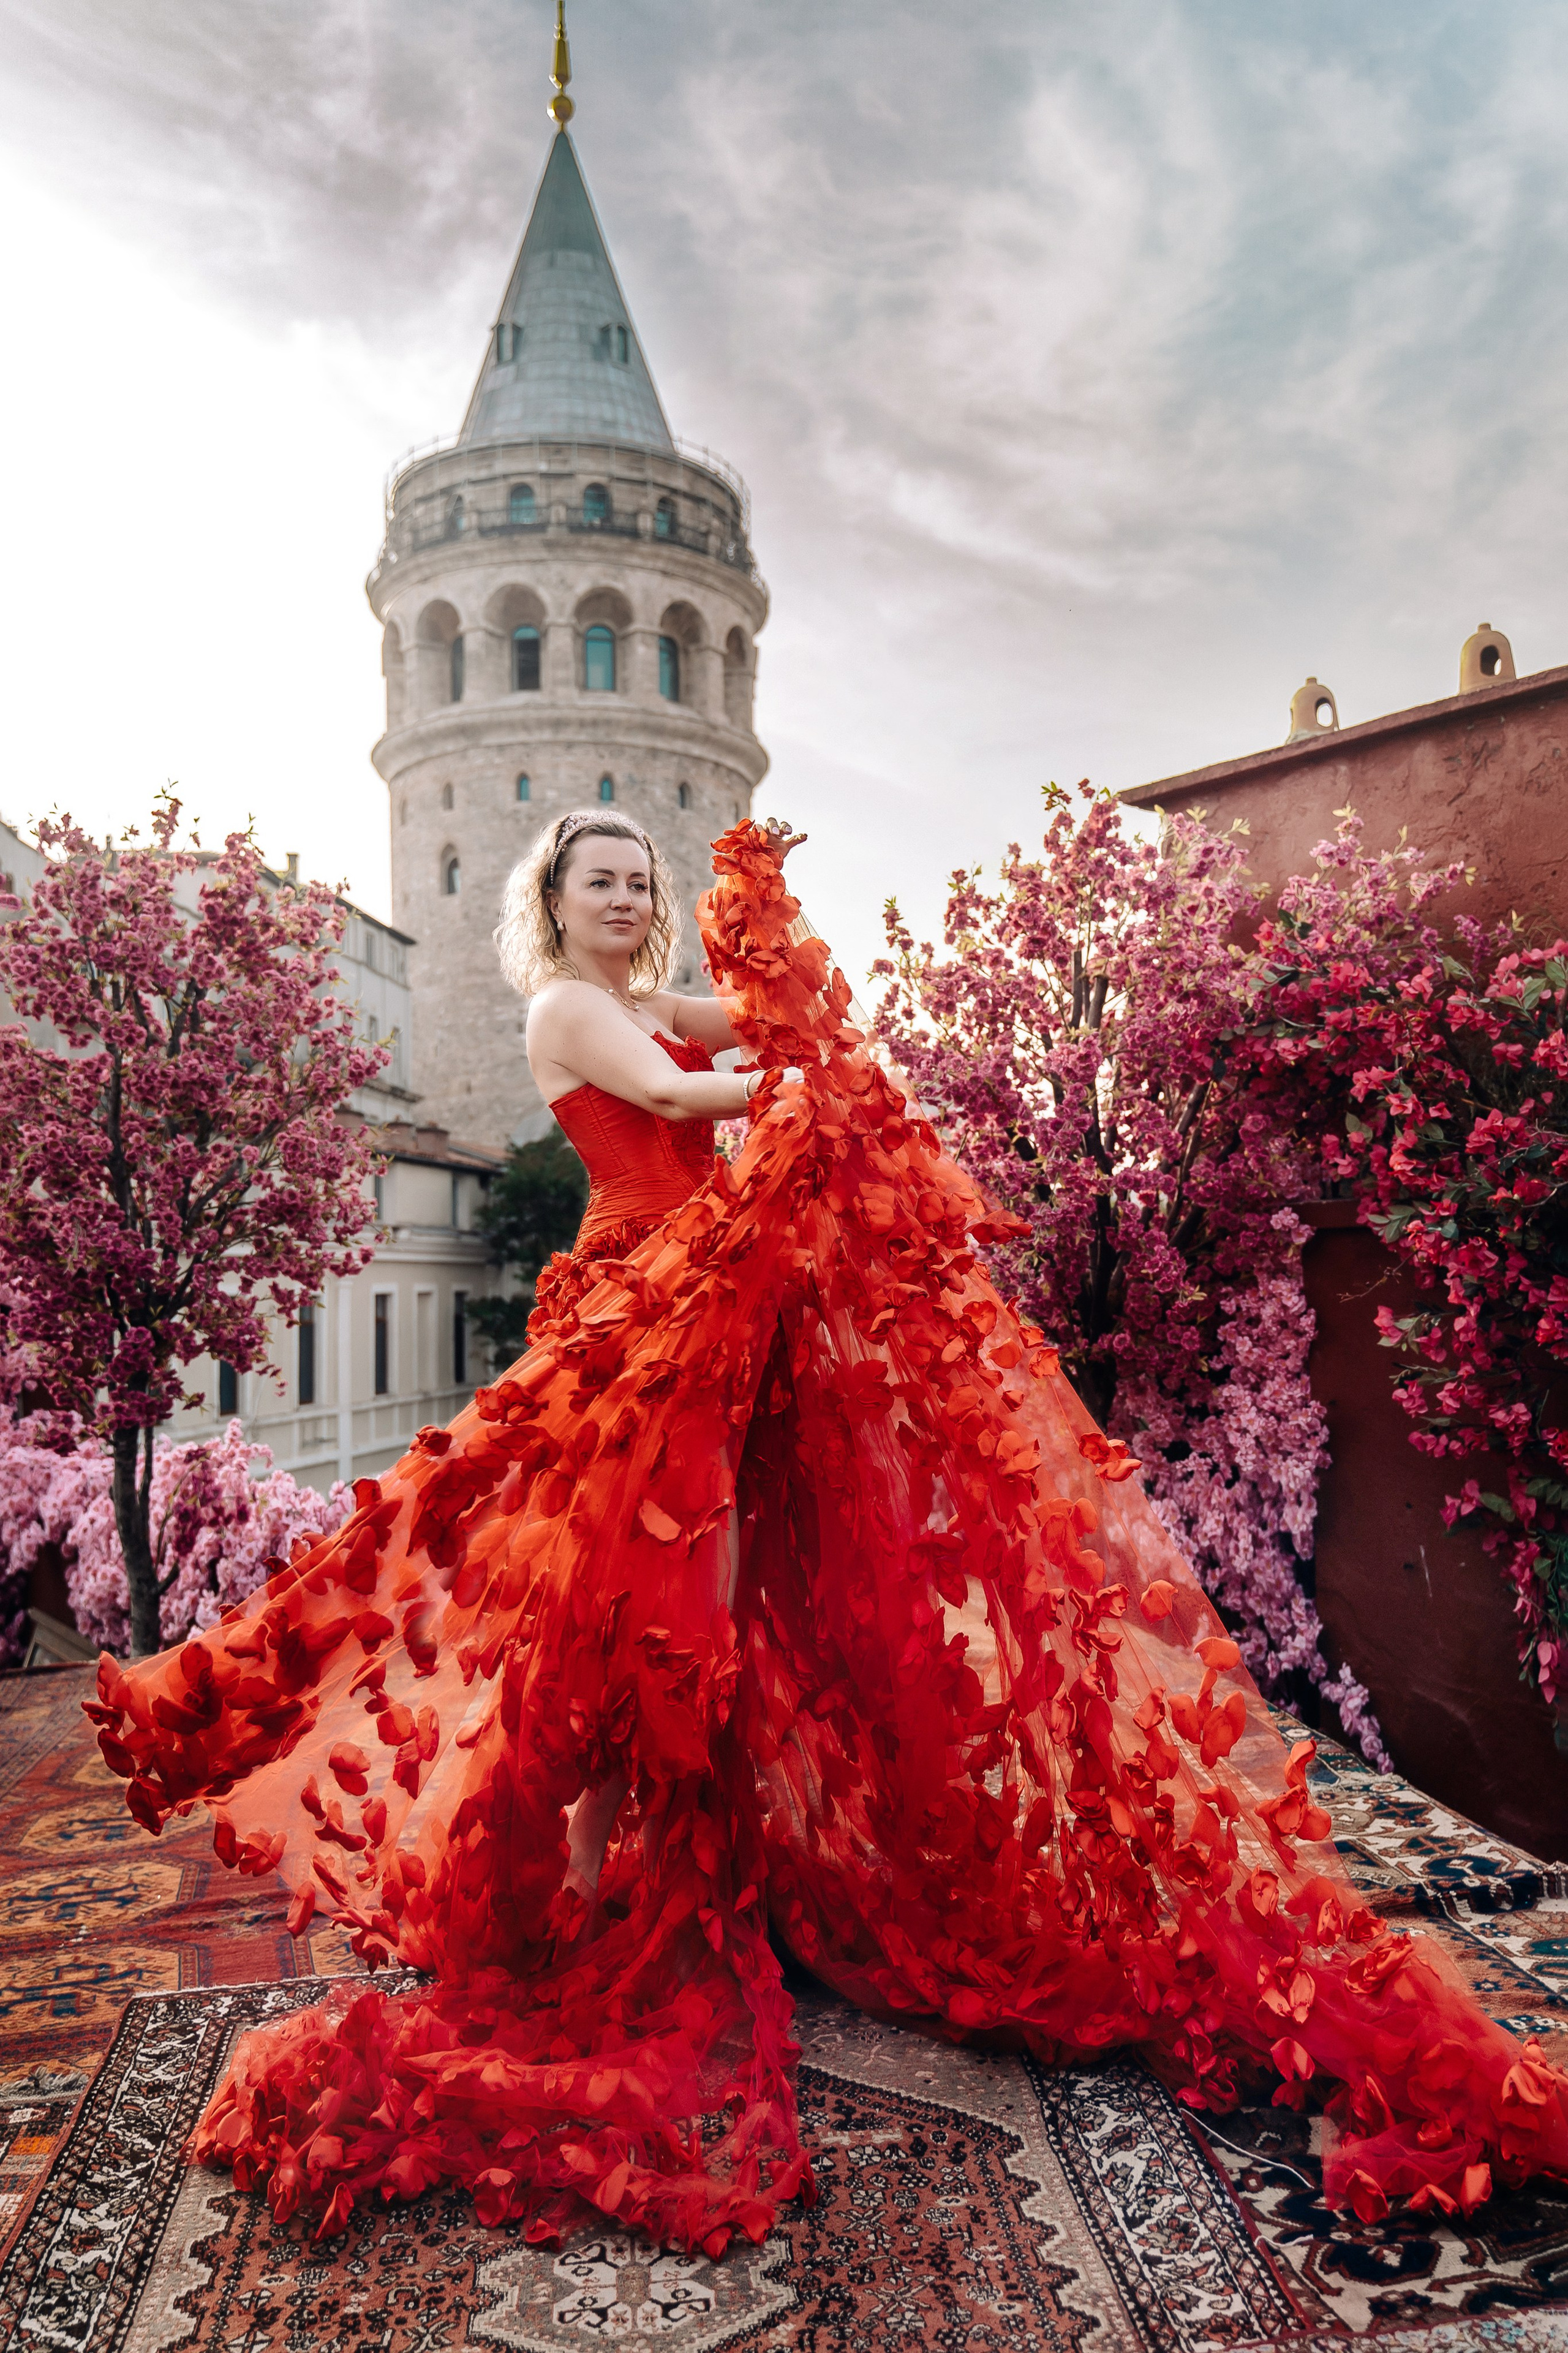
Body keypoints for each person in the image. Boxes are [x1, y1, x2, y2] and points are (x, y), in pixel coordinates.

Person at [91, 810, 1568, 2255]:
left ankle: (656, 1880)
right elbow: (684, 1104)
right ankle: (588, 1912)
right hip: (650, 1324)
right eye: (596, 880)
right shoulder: (564, 1008)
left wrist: (767, 940)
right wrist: (797, 1089)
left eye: (637, 879)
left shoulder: (634, 992)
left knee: (715, 1617)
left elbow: (746, 1017)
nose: (620, 897)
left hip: (720, 1318)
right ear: (550, 905)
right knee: (635, 1620)